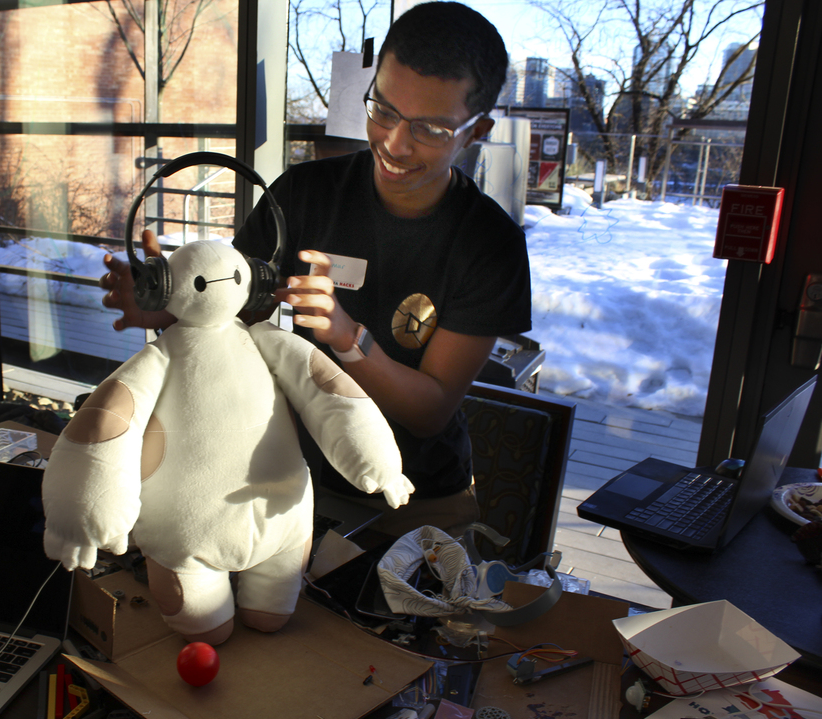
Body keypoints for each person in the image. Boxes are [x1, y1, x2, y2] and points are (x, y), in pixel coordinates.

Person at [100, 2, 531, 537]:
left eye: (430, 129)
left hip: (415, 495)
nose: (394, 143)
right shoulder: (305, 194)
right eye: (384, 110)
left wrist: (348, 338)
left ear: (476, 131)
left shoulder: (490, 244)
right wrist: (167, 303)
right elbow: (232, 304)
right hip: (293, 470)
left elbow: (431, 411)